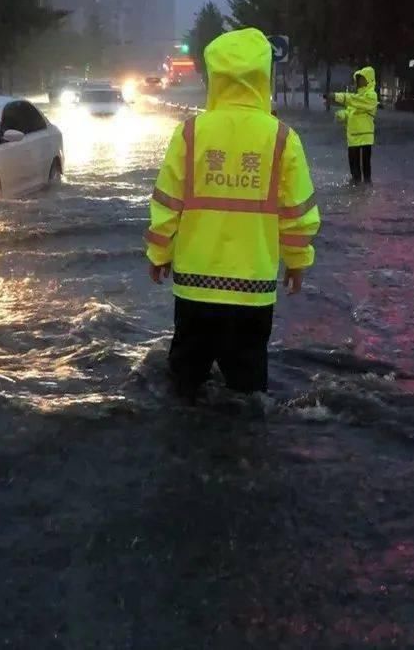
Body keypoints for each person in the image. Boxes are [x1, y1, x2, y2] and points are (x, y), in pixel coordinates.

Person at [146, 28, 320, 403]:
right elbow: (297, 215)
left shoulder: (191, 133)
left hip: (194, 286)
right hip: (252, 292)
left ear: (214, 77)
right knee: (248, 390)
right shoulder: (281, 138)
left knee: (185, 386)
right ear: (263, 76)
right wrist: (297, 262)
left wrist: (159, 254)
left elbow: (166, 203)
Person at [331, 66, 378, 185]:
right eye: (358, 79)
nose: (359, 81)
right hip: (352, 137)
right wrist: (341, 115)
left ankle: (366, 188)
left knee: (365, 165)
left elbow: (357, 102)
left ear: (369, 79)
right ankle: (356, 187)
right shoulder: (357, 96)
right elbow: (351, 111)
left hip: (365, 137)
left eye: (362, 78)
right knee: (354, 166)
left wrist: (338, 97)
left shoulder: (371, 95)